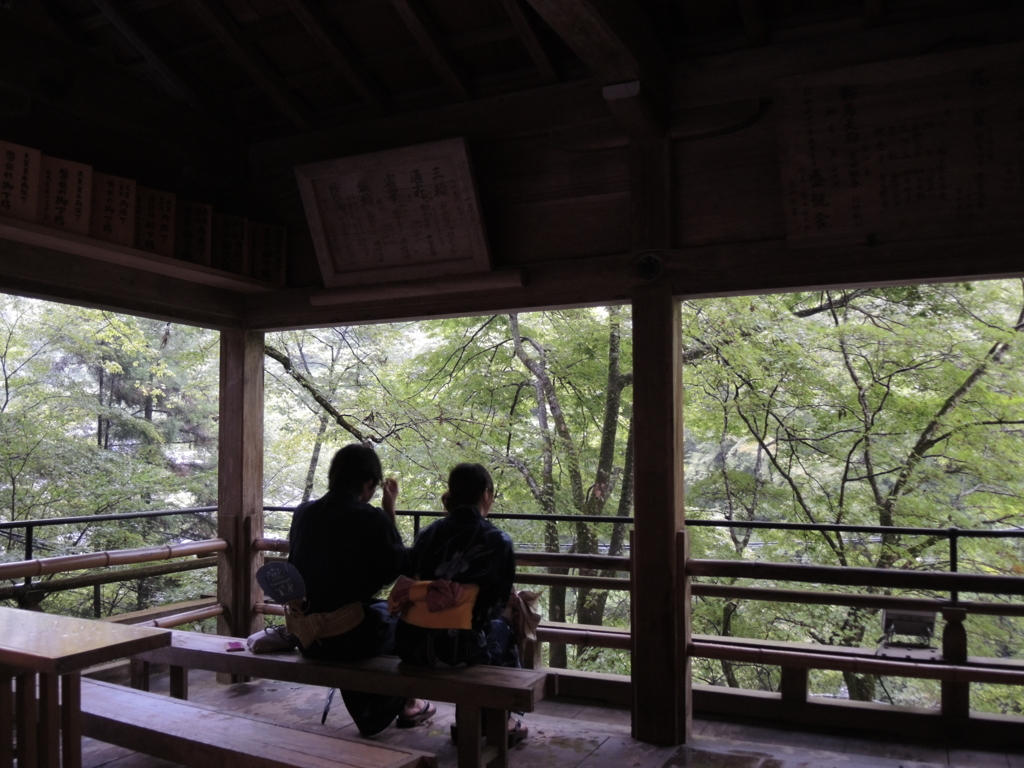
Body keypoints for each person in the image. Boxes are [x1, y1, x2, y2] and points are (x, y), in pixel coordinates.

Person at [286, 443, 435, 736]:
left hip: (306, 636)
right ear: (368, 483)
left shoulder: (304, 513)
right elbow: (396, 568)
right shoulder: (370, 518)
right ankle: (407, 703)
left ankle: (385, 707)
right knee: (404, 615)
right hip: (346, 637)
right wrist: (388, 512)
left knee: (371, 613)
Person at [390, 462, 526, 742]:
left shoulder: (428, 533)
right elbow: (494, 606)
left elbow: (409, 578)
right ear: (486, 495)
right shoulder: (498, 540)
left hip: (412, 644)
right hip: (460, 650)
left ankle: (420, 707)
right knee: (505, 627)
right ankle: (498, 719)